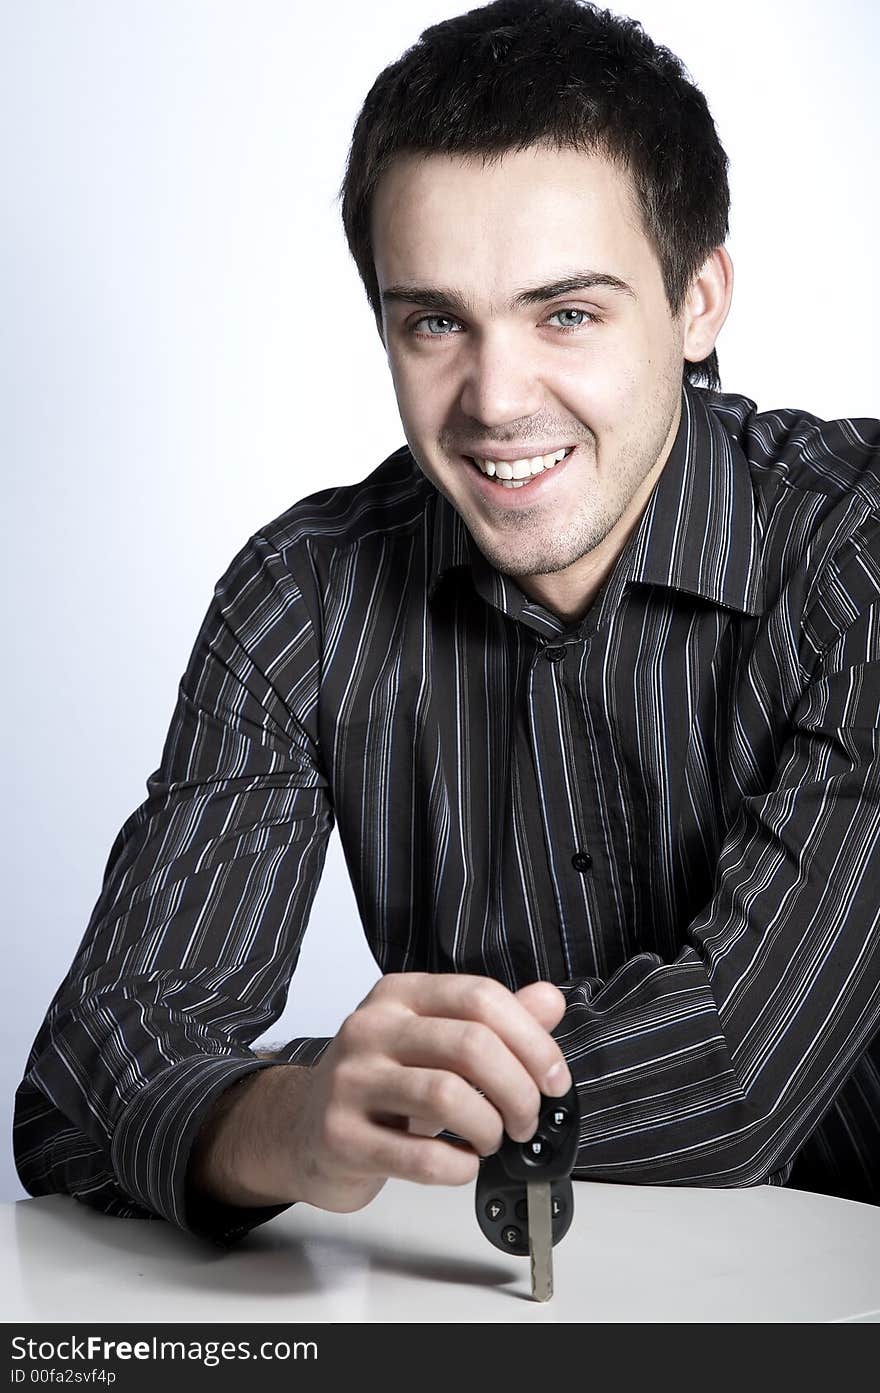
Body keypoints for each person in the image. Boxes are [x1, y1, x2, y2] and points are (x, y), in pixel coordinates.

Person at [14, 0, 880, 1248]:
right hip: (480, 1321)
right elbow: (77, 1094)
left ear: (699, 301)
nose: (494, 398)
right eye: (434, 321)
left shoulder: (855, 558)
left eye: (565, 313)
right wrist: (296, 1114)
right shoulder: (301, 599)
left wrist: (344, 1095)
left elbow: (737, 1080)